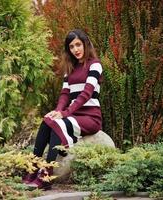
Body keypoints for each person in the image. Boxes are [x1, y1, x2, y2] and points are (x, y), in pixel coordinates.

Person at [23, 29, 103, 190]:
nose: (76, 49)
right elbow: (65, 94)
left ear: (86, 44)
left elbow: (86, 93)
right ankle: (33, 168)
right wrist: (57, 110)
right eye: (71, 47)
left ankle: (46, 175)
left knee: (58, 124)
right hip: (74, 115)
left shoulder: (95, 65)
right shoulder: (70, 69)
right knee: (47, 121)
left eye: (78, 45)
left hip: (91, 117)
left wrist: (65, 113)